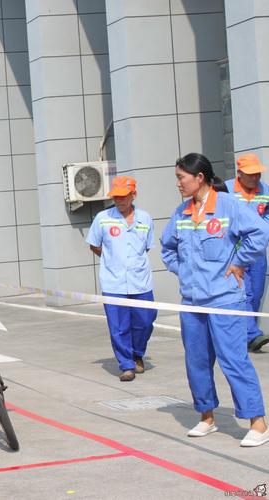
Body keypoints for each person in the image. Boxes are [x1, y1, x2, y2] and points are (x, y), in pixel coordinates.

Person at [161, 152, 269, 447]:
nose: (178, 184)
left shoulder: (228, 206)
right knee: (197, 360)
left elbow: (260, 233)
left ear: (199, 178)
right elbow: (167, 247)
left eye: (181, 178)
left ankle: (258, 423)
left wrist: (240, 263)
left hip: (224, 300)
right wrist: (182, 270)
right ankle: (207, 417)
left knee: (233, 359)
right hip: (192, 302)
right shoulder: (181, 212)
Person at [87, 176, 157, 382]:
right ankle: (127, 364)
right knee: (118, 326)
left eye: (123, 197)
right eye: (116, 197)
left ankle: (137, 354)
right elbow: (94, 244)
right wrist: (111, 259)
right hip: (113, 281)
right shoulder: (103, 218)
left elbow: (146, 246)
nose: (119, 201)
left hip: (140, 280)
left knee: (146, 320)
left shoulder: (145, 218)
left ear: (133, 195)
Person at [225, 153, 269, 352]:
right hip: (236, 252)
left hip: (258, 253)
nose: (255, 178)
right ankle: (252, 335)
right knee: (245, 293)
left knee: (257, 293)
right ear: (239, 174)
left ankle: (247, 335)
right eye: (251, 174)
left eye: (258, 174)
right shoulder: (225, 190)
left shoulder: (265, 190)